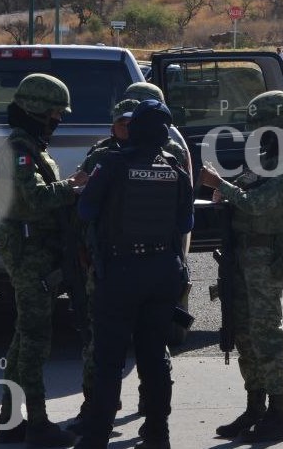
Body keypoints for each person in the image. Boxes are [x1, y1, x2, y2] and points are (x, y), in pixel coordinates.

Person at [71, 83, 192, 434]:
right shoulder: (176, 169)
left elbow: (86, 210)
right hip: (163, 272)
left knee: (109, 359)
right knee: (154, 356)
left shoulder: (111, 164)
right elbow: (185, 223)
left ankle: (96, 436)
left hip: (121, 271)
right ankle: (158, 431)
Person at [199, 91, 283, 443]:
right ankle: (255, 408)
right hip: (242, 256)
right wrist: (224, 193)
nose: (255, 136)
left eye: (259, 129)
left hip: (266, 259)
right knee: (244, 334)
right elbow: (243, 194)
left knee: (266, 334)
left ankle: (277, 416)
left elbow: (259, 203)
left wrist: (220, 185)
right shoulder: (269, 158)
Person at [0, 73, 87, 447]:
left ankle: (10, 421)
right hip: (28, 255)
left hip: (35, 253)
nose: (58, 120)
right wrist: (75, 188)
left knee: (23, 339)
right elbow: (36, 199)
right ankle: (38, 423)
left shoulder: (30, 148)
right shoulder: (20, 152)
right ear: (36, 111)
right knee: (34, 341)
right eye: (54, 113)